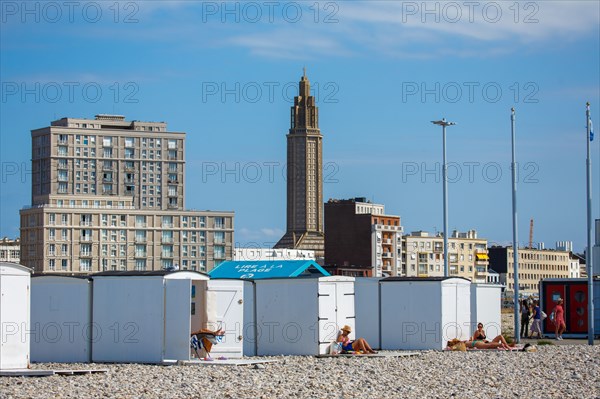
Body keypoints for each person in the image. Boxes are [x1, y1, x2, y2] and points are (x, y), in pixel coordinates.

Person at [448, 334, 514, 350]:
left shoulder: (461, 344)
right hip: (478, 342)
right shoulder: (464, 341)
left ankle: (502, 345)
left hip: (477, 344)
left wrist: (449, 347)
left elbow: (452, 348)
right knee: (499, 336)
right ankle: (506, 346)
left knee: (490, 345)